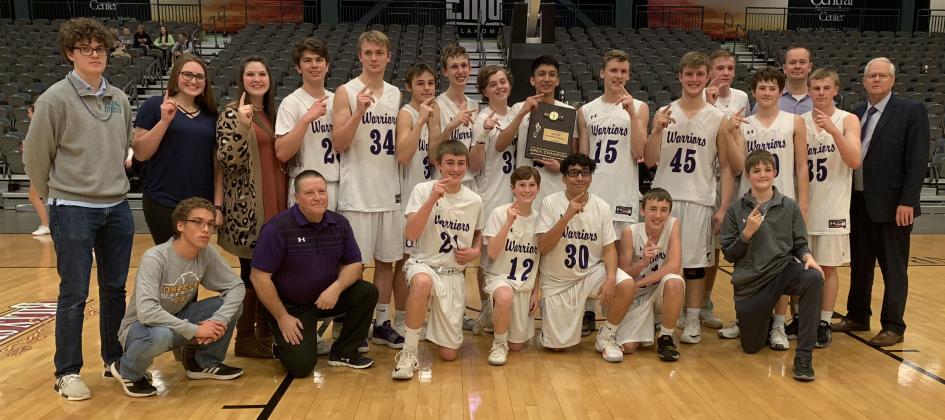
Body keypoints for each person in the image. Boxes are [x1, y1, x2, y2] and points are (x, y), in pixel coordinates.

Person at [23, 17, 134, 401]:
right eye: (85, 48)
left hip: (117, 207)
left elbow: (124, 148)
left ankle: (114, 358)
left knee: (115, 288)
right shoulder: (53, 99)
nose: (94, 55)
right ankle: (67, 371)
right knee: (73, 292)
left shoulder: (119, 99)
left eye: (100, 48)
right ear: (71, 53)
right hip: (72, 208)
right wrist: (55, 195)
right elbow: (36, 158)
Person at [833, 57, 929, 347]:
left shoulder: (911, 111)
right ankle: (858, 315)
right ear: (863, 81)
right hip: (859, 202)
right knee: (861, 264)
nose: (876, 80)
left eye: (882, 76)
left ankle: (893, 325)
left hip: (893, 207)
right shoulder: (858, 112)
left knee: (893, 269)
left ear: (892, 80)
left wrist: (908, 201)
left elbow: (917, 160)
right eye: (871, 76)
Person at [109, 198, 245, 397]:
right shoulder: (155, 258)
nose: (206, 229)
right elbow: (147, 313)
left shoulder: (206, 253)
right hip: (140, 328)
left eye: (209, 224)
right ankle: (127, 370)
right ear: (180, 225)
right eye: (198, 222)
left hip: (176, 320)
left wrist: (218, 320)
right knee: (161, 334)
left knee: (231, 305)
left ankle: (203, 363)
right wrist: (196, 329)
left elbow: (236, 286)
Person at [644, 51, 735, 345]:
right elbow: (649, 159)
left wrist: (723, 207)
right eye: (689, 74)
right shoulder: (665, 112)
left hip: (699, 198)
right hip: (665, 199)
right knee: (658, 261)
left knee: (695, 265)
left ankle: (693, 318)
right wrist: (656, 130)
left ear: (707, 77)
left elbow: (727, 167)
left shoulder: (717, 118)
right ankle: (658, 316)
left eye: (699, 74)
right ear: (680, 77)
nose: (694, 80)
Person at [251, 170, 379, 376]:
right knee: (300, 367)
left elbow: (355, 265)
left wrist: (336, 289)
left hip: (325, 298)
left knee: (367, 292)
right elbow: (259, 277)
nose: (318, 197)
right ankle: (280, 341)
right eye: (309, 193)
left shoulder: (339, 223)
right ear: (296, 198)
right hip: (292, 307)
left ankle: (344, 352)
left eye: (322, 191)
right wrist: (282, 316)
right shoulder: (277, 228)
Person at [724, 67, 810, 349]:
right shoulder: (743, 123)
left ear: (781, 91)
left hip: (780, 202)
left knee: (781, 261)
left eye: (773, 88)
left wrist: (803, 205)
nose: (767, 92)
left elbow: (800, 167)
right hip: (749, 201)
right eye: (762, 88)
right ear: (754, 92)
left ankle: (778, 325)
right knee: (746, 260)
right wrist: (729, 133)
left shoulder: (795, 122)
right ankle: (743, 318)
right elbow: (738, 166)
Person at [721, 150, 824, 381]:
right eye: (756, 171)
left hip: (782, 271)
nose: (763, 174)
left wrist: (807, 257)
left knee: (814, 278)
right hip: (751, 282)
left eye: (767, 170)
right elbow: (728, 254)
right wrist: (746, 234)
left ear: (775, 173)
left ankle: (804, 356)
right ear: (748, 175)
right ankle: (761, 323)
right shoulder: (736, 210)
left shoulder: (789, 206)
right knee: (751, 347)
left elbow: (800, 244)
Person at [332, 30, 406, 349]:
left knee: (387, 261)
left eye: (380, 52)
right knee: (355, 266)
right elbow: (339, 143)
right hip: (357, 194)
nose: (374, 58)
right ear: (359, 56)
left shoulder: (395, 94)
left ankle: (382, 322)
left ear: (388, 57)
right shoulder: (345, 92)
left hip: (389, 191)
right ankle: (354, 324)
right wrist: (360, 111)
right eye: (368, 53)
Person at [392, 140, 484, 380]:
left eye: (461, 163)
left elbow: (479, 237)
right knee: (422, 283)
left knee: (449, 354)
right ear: (438, 164)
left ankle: (431, 326)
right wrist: (432, 199)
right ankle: (408, 353)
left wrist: (475, 252)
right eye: (450, 163)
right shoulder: (423, 190)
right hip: (424, 264)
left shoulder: (474, 200)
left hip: (452, 274)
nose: (455, 169)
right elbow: (411, 234)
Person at [535, 153, 636, 362]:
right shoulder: (549, 203)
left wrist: (609, 278)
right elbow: (543, 247)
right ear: (563, 177)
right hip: (558, 281)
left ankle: (606, 337)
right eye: (573, 173)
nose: (580, 178)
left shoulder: (602, 207)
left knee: (625, 284)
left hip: (590, 274)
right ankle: (550, 329)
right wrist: (567, 216)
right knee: (557, 349)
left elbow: (609, 249)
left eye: (585, 173)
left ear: (591, 177)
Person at [216, 56, 284, 359]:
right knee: (252, 274)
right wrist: (243, 127)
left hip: (276, 201)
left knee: (271, 272)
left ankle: (266, 333)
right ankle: (245, 338)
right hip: (248, 209)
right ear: (241, 80)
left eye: (262, 73)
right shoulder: (231, 113)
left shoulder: (271, 112)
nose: (257, 79)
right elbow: (227, 159)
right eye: (251, 74)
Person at [133, 53, 220, 246]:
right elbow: (140, 152)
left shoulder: (212, 117)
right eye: (187, 74)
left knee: (193, 267)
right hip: (163, 201)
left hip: (200, 204)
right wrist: (164, 121)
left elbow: (216, 166)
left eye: (199, 77)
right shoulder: (155, 106)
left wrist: (217, 206)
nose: (193, 81)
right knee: (171, 264)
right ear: (176, 76)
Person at [801, 67, 861, 348]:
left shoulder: (848, 119)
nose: (821, 93)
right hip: (803, 207)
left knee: (828, 268)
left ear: (836, 90)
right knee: (800, 268)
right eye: (816, 88)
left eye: (826, 88)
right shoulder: (798, 121)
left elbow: (854, 161)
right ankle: (801, 319)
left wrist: (834, 130)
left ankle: (823, 322)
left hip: (833, 208)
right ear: (809, 91)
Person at [393, 62, 444, 334]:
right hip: (408, 195)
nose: (427, 88)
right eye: (421, 83)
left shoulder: (433, 113)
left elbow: (434, 157)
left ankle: (421, 317)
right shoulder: (407, 114)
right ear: (408, 86)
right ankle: (401, 318)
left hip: (430, 194)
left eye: (431, 83)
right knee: (405, 260)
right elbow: (403, 155)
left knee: (428, 258)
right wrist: (422, 120)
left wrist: (436, 124)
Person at [701, 49, 750, 329]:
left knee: (716, 247)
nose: (726, 73)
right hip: (703, 175)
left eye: (730, 68)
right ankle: (686, 304)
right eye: (720, 68)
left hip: (728, 178)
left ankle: (705, 303)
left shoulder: (741, 98)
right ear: (710, 71)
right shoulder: (702, 95)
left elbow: (741, 135)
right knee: (698, 247)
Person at [470, 65, 517, 335]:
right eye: (493, 84)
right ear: (485, 91)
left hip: (515, 195)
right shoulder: (482, 118)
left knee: (510, 254)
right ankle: (486, 310)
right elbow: (476, 165)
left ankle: (506, 309)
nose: (500, 86)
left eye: (503, 81)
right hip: (490, 193)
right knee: (488, 258)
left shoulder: (516, 111)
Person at [481, 166, 542, 365]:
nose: (527, 190)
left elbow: (542, 259)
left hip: (524, 286)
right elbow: (491, 253)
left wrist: (535, 291)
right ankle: (498, 344)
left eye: (531, 185)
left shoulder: (541, 219)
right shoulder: (499, 214)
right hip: (500, 279)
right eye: (522, 185)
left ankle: (495, 318)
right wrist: (508, 224)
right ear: (513, 188)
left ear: (538, 188)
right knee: (505, 296)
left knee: (516, 346)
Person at [615, 187, 683, 361]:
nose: (658, 215)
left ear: (669, 212)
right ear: (643, 210)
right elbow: (623, 275)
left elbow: (674, 266)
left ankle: (666, 338)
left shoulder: (673, 224)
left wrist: (639, 282)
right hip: (635, 296)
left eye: (664, 210)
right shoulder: (630, 232)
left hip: (658, 293)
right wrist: (643, 262)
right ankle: (650, 324)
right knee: (628, 348)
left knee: (675, 281)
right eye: (653, 209)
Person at [499, 55, 573, 205]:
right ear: (532, 80)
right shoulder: (518, 108)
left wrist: (561, 168)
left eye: (552, 75)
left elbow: (574, 155)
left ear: (558, 80)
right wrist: (522, 113)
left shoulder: (569, 112)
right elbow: (500, 144)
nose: (547, 79)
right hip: (525, 188)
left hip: (555, 187)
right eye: (541, 74)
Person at [275, 38, 335, 208]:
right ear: (298, 67)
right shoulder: (290, 103)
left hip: (335, 184)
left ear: (327, 65)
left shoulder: (338, 100)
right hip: (304, 186)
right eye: (307, 60)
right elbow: (282, 153)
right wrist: (306, 119)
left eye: (319, 60)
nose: (314, 65)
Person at [435, 44, 480, 192]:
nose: (460, 71)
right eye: (454, 67)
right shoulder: (437, 105)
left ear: (470, 69)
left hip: (469, 180)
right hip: (444, 180)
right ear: (445, 72)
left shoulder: (474, 105)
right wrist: (450, 127)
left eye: (463, 66)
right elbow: (432, 152)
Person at [23, 103, 50, 236]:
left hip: (41, 166)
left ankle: (46, 225)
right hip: (41, 165)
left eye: (29, 113)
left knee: (33, 195)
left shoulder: (40, 128)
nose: (28, 115)